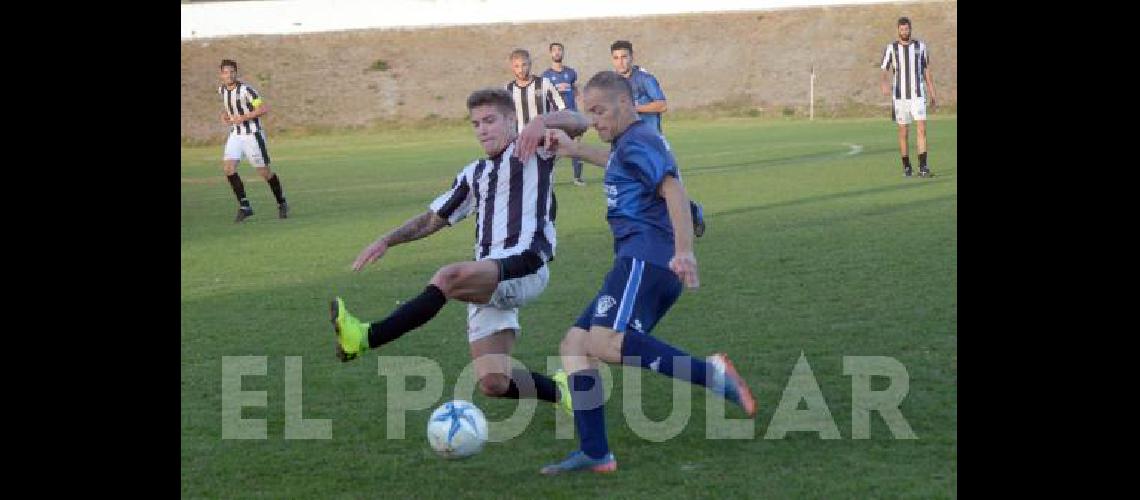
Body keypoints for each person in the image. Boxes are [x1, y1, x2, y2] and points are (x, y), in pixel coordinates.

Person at [531, 72, 757, 475]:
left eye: (600, 111)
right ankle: (596, 452)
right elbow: (620, 164)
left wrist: (684, 251)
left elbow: (672, 188)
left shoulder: (642, 139)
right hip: (637, 260)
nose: (595, 120)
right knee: (575, 345)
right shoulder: (628, 145)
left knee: (603, 342)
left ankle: (712, 373)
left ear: (626, 103)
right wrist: (574, 150)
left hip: (648, 258)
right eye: (590, 113)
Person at [330, 88, 588, 412]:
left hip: (526, 264)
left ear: (511, 120)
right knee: (493, 382)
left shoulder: (533, 148)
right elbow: (431, 220)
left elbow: (580, 122)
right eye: (476, 123)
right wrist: (385, 240)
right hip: (490, 274)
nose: (483, 129)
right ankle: (563, 393)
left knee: (448, 277)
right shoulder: (474, 174)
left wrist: (541, 121)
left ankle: (365, 337)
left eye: (490, 120)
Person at [609, 41, 706, 237]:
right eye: (616, 58)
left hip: (650, 143)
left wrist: (634, 108)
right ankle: (641, 227)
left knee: (664, 186)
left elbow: (661, 105)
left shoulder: (644, 79)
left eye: (624, 57)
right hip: (624, 144)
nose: (620, 62)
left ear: (632, 57)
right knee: (634, 188)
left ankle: (691, 211)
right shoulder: (613, 84)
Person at [217, 59, 289, 222]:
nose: (230, 75)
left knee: (264, 172)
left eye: (232, 71)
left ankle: (282, 202)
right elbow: (229, 108)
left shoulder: (246, 90)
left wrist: (242, 117)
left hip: (253, 135)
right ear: (221, 74)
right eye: (226, 72)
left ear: (236, 73)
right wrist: (225, 116)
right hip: (236, 134)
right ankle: (245, 206)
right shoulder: (222, 90)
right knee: (229, 168)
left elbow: (262, 108)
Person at [879, 16, 938, 177]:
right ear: (898, 30)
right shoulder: (891, 48)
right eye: (902, 29)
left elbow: (926, 71)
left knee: (921, 129)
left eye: (907, 29)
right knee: (903, 132)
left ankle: (923, 167)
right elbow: (884, 69)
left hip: (918, 95)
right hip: (900, 97)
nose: (905, 31)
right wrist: (884, 83)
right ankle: (907, 166)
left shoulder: (921, 47)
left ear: (910, 29)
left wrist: (932, 93)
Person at [541, 42, 586, 186]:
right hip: (557, 118)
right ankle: (547, 177)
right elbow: (544, 96)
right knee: (554, 148)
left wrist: (581, 105)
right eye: (554, 50)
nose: (557, 52)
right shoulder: (546, 76)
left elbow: (575, 90)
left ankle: (578, 178)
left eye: (559, 50)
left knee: (576, 147)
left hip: (573, 116)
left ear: (563, 52)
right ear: (550, 53)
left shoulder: (571, 73)